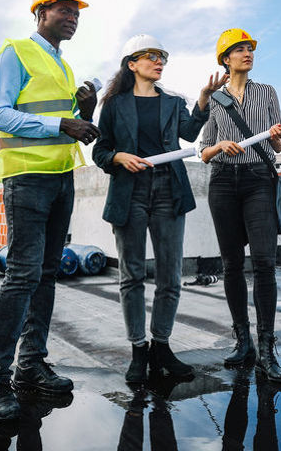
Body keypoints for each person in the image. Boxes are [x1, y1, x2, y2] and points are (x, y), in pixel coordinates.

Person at [0, 0, 101, 423]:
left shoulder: (63, 65)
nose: (72, 19)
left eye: (76, 14)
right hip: (26, 177)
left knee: (47, 274)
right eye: (64, 11)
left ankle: (29, 366)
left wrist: (85, 111)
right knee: (23, 274)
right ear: (40, 12)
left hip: (60, 177)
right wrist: (61, 125)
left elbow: (68, 121)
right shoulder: (15, 52)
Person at [91, 34, 224, 384]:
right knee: (132, 275)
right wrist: (118, 156)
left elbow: (190, 133)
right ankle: (138, 350)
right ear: (132, 63)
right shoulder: (115, 104)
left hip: (169, 189)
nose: (159, 60)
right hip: (129, 193)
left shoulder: (173, 102)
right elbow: (100, 151)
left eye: (162, 55)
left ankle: (161, 346)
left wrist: (203, 101)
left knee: (170, 275)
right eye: (150, 56)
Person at [199, 28, 281, 384]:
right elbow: (204, 151)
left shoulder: (267, 93)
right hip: (223, 181)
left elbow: (279, 146)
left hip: (258, 181)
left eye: (249, 48)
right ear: (225, 59)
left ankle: (267, 349)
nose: (247, 53)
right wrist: (221, 144)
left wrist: (279, 138)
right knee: (232, 265)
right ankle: (243, 343)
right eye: (239, 49)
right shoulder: (216, 101)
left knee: (265, 263)